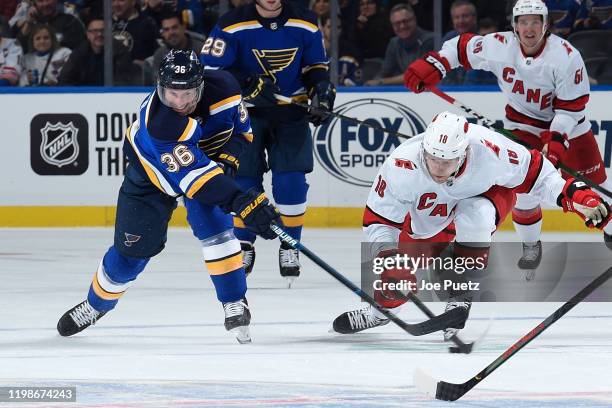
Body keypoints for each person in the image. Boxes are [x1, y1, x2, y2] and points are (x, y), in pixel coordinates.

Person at [56, 50, 282, 344]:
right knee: (131, 254)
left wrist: (227, 161)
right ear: (160, 87)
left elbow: (242, 133)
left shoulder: (225, 88)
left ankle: (234, 301)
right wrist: (242, 201)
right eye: (171, 93)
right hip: (149, 178)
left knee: (218, 232)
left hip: (206, 168)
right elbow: (196, 181)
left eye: (186, 93)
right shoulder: (161, 123)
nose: (178, 102)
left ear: (200, 86)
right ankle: (96, 304)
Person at [331, 111, 610, 338]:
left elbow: (540, 176)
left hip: (481, 198)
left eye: (447, 161)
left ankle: (460, 295)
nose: (438, 169)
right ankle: (380, 313)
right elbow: (378, 221)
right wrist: (387, 256)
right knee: (395, 276)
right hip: (429, 216)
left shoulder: (491, 151)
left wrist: (576, 197)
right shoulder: (401, 166)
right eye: (433, 159)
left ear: (464, 153)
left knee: (475, 214)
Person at [403, 0, 612, 277]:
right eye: (523, 21)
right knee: (522, 190)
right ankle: (530, 244)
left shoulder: (566, 56)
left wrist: (557, 142)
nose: (529, 27)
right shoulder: (499, 46)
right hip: (521, 128)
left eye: (535, 21)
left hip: (571, 129)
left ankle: (610, 232)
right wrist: (436, 64)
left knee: (597, 187)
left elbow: (570, 109)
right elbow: (461, 47)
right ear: (514, 26)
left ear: (546, 24)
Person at [200, 0, 335, 286]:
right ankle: (245, 242)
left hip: (291, 111)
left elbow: (316, 67)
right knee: (245, 179)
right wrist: (246, 82)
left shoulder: (306, 22)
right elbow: (209, 68)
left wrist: (320, 91)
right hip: (242, 113)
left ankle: (290, 243)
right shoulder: (230, 24)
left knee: (291, 181)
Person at [365, 3, 434, 86]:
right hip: (405, 93)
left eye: (405, 21)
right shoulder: (394, 43)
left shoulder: (430, 40)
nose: (402, 26)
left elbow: (417, 75)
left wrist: (381, 82)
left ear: (414, 19)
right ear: (392, 25)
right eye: (397, 23)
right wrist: (371, 85)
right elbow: (384, 72)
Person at [58, 17, 137, 85]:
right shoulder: (80, 52)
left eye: (103, 30)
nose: (99, 34)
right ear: (88, 34)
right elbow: (65, 78)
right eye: (94, 31)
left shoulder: (119, 50)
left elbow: (125, 80)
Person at [145, 12, 205, 83]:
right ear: (163, 33)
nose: (171, 33)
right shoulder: (159, 54)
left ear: (184, 27)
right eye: (166, 30)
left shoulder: (202, 50)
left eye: (174, 27)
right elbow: (158, 84)